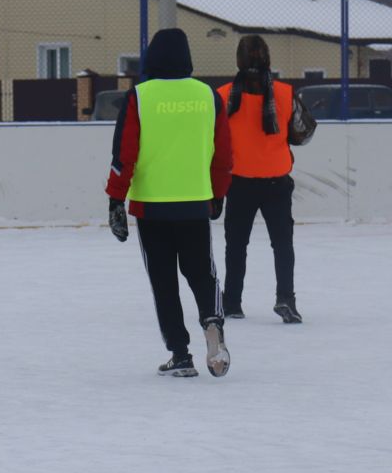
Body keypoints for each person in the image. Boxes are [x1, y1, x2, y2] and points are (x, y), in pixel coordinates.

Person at [104, 28, 234, 377]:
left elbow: (124, 153)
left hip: (152, 205)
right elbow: (223, 154)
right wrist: (218, 193)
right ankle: (212, 321)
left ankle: (180, 354)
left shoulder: (140, 97)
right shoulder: (208, 96)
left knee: (164, 281)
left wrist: (116, 199)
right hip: (195, 202)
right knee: (202, 273)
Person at [216, 35, 312, 324]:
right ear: (268, 59)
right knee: (282, 244)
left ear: (239, 60)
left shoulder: (222, 96)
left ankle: (232, 302)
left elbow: (214, 140)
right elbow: (302, 132)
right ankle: (286, 299)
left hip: (239, 181)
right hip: (276, 180)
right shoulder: (285, 93)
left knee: (236, 244)